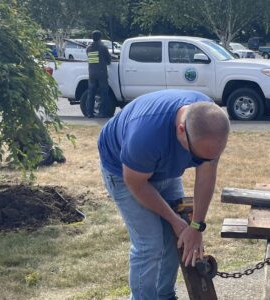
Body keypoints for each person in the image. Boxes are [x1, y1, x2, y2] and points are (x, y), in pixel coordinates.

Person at [98, 89, 230, 300]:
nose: (201, 162)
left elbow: (206, 178)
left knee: (175, 239)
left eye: (211, 157)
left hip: (162, 168)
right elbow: (137, 184)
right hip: (125, 173)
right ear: (180, 130)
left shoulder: (209, 121)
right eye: (196, 157)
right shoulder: (145, 136)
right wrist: (176, 221)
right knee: (149, 245)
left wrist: (196, 226)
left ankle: (164, 296)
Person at [86, 30, 112, 118]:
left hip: (92, 73)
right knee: (104, 93)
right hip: (102, 73)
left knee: (91, 93)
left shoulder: (88, 48)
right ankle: (103, 112)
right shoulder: (103, 47)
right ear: (100, 37)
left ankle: (89, 113)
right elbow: (108, 61)